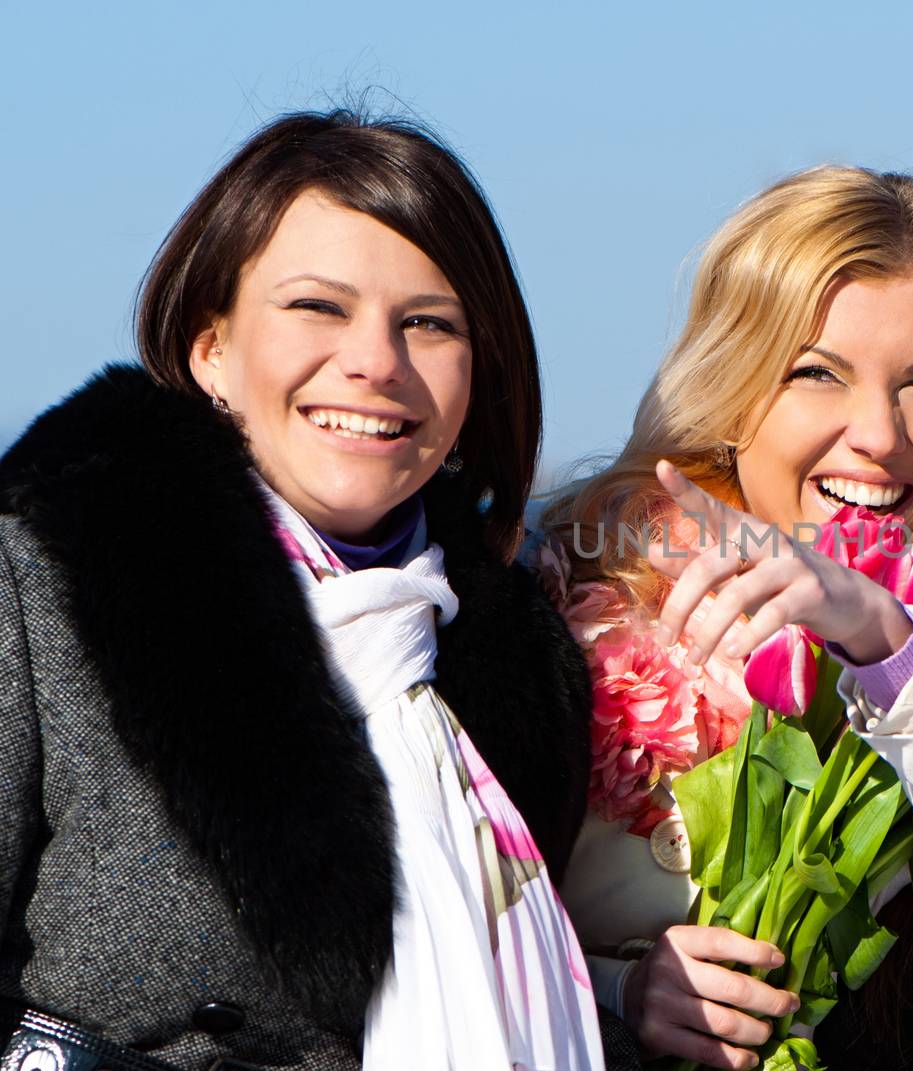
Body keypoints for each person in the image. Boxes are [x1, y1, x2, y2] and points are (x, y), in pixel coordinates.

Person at [0, 111, 617, 1070]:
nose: (376, 360)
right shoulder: (45, 585)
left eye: (428, 322)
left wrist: (628, 1000)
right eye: (318, 307)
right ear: (211, 349)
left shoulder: (514, 664)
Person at [538, 165, 913, 1070]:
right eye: (817, 373)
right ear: (733, 389)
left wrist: (884, 640)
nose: (879, 433)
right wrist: (620, 990)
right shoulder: (557, 586)